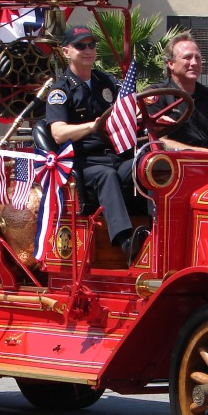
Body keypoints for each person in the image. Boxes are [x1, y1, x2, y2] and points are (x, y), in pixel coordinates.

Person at [45, 25, 147, 261]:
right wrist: (92, 126)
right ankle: (125, 242)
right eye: (81, 46)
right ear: (66, 52)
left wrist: (145, 116)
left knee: (144, 166)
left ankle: (155, 228)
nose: (88, 50)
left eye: (92, 45)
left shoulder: (105, 81)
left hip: (114, 155)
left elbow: (125, 110)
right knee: (106, 176)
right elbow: (58, 133)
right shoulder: (60, 91)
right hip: (82, 163)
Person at [143, 33, 208, 151]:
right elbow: (156, 141)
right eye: (187, 57)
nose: (194, 63)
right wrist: (206, 153)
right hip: (175, 166)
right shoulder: (156, 96)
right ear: (171, 64)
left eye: (197, 58)